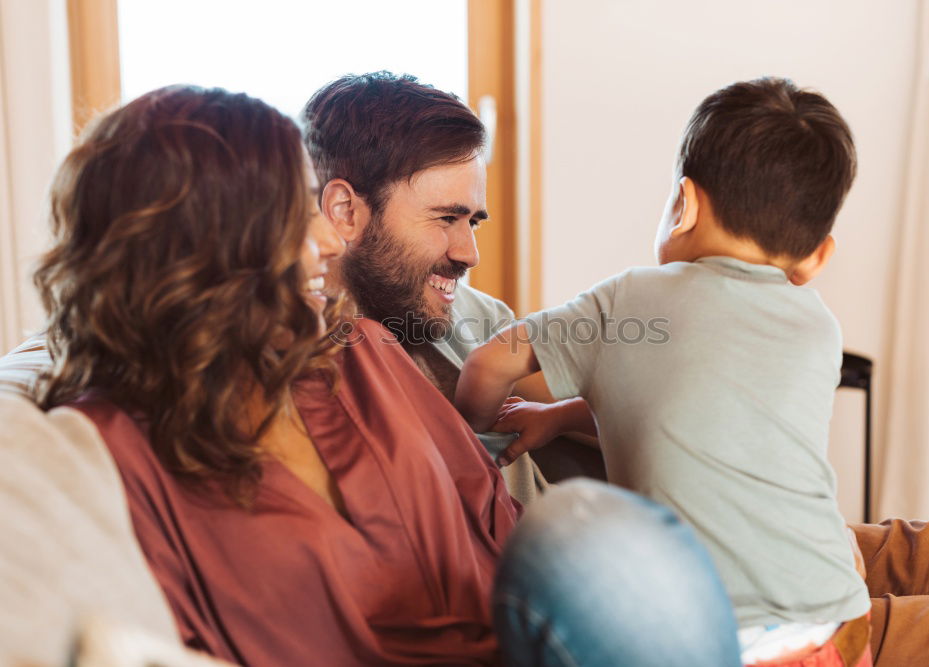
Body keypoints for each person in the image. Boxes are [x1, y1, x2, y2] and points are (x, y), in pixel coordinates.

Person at [27, 83, 740, 666]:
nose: (324, 240)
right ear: (202, 247)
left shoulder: (358, 349)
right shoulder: (111, 449)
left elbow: (499, 522)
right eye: (292, 214)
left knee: (594, 534)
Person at [456, 77, 876, 666]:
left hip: (715, 638)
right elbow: (696, 416)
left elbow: (488, 360)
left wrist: (473, 429)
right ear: (817, 256)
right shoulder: (817, 326)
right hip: (838, 623)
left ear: (685, 204)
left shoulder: (631, 300)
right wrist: (556, 418)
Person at [300, 72, 604, 505]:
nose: (469, 253)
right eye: (446, 219)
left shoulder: (474, 317)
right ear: (345, 211)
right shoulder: (289, 362)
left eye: (473, 222)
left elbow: (625, 403)